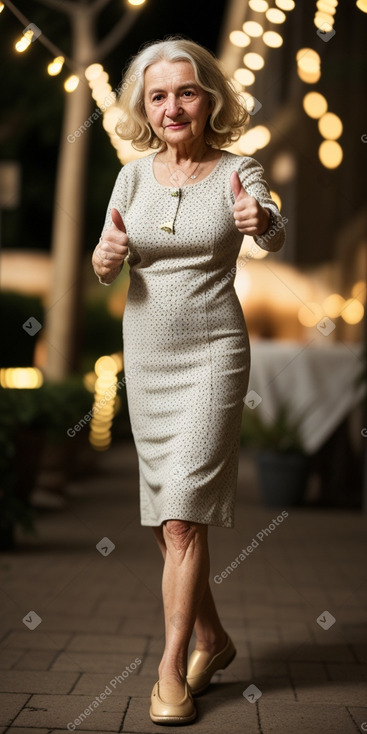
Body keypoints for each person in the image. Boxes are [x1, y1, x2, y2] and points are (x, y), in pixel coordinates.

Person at [92, 36, 285, 725]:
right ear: (145, 106)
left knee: (180, 519)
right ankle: (214, 639)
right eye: (158, 95)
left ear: (209, 98)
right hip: (145, 354)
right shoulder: (133, 177)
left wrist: (260, 219)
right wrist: (106, 255)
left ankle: (171, 670)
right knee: (164, 518)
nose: (173, 106)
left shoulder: (239, 168)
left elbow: (269, 224)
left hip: (210, 355)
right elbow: (106, 260)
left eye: (187, 91)